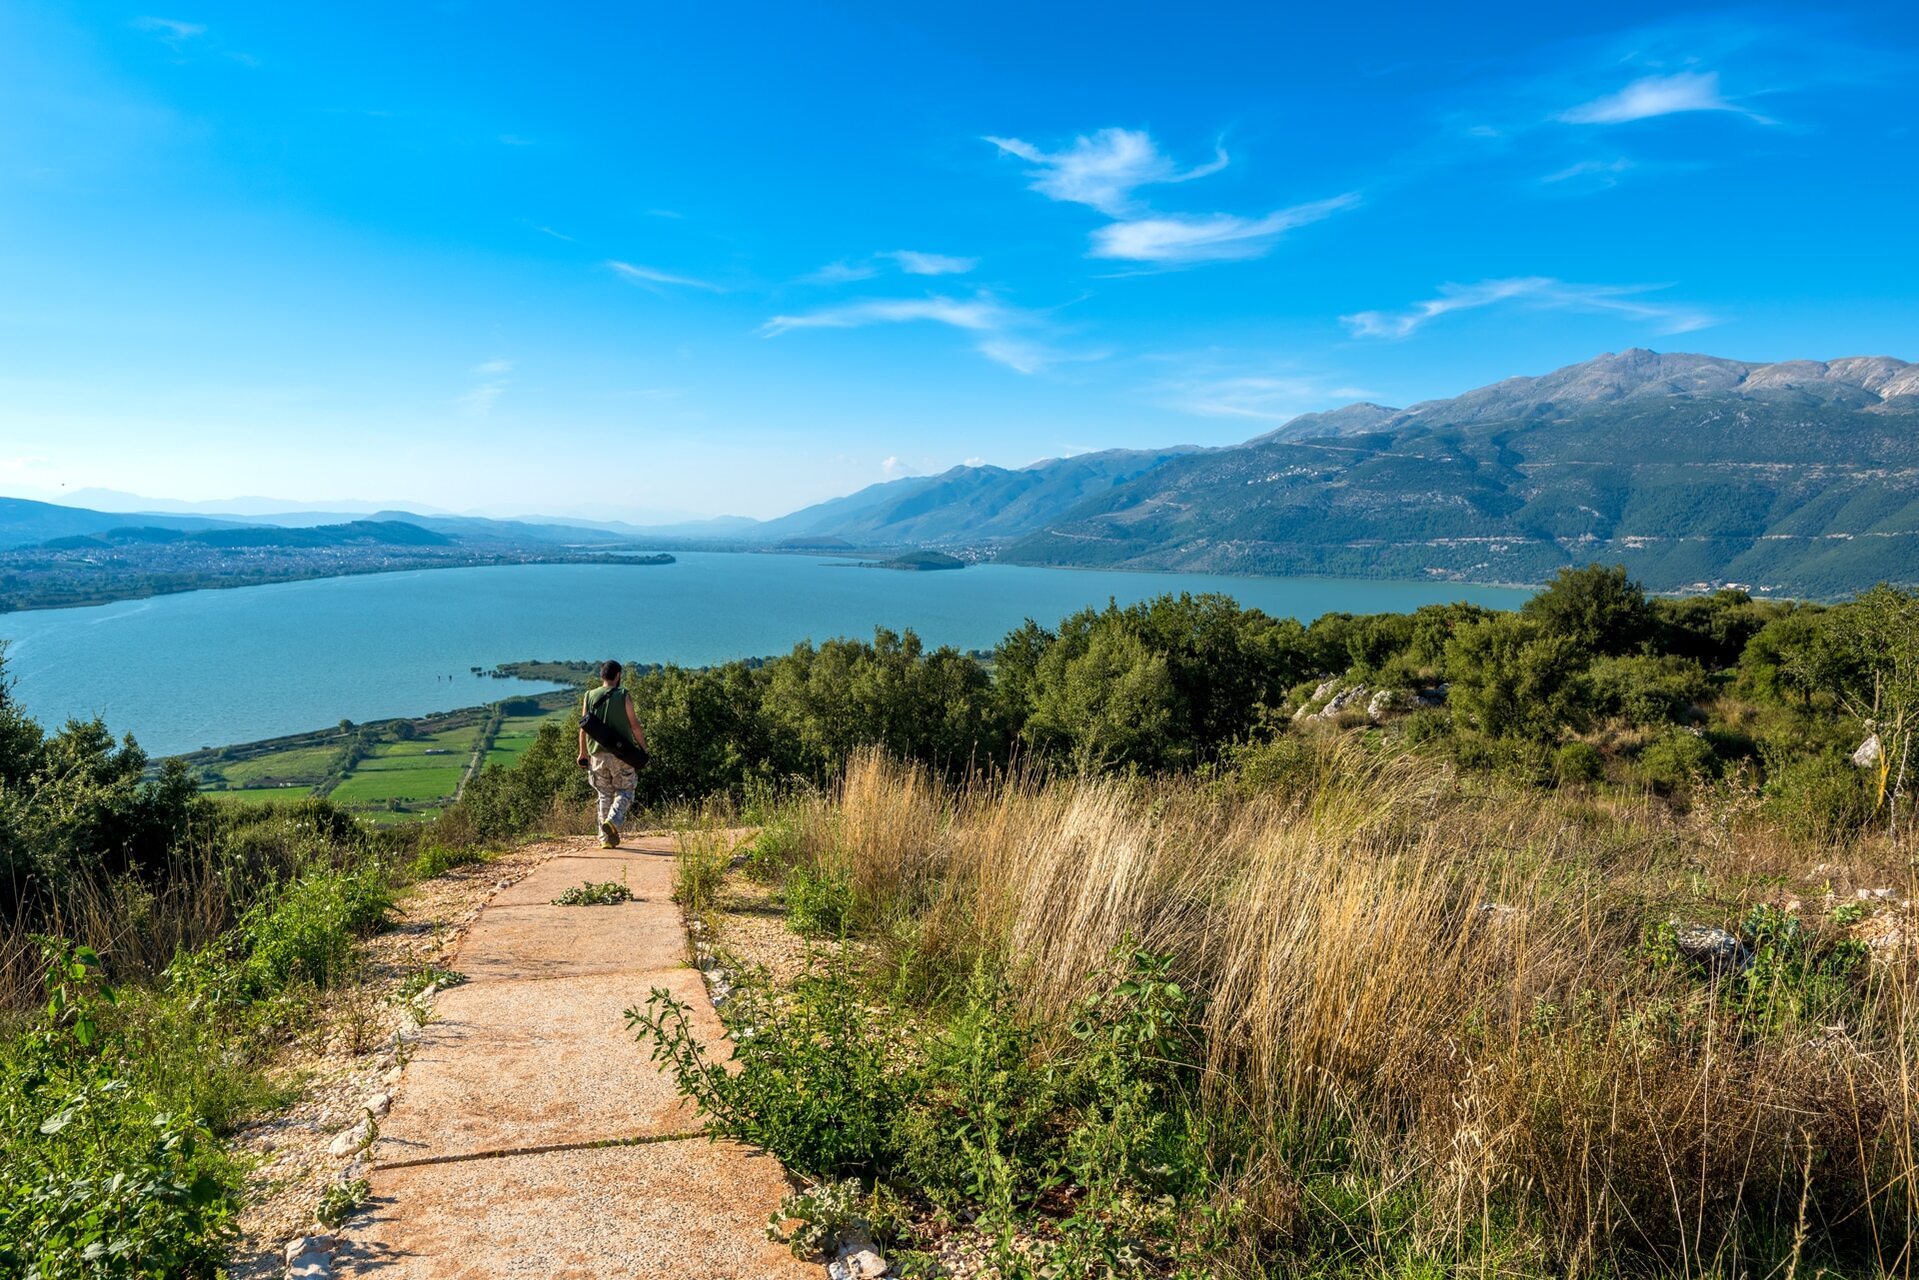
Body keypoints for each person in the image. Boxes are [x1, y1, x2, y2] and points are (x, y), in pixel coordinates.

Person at [576, 660, 647, 848]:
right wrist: (644, 749)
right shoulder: (623, 695)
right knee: (626, 791)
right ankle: (613, 822)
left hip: (596, 755)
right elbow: (634, 726)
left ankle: (605, 840)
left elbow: (583, 728)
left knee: (604, 795)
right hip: (621, 754)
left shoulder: (589, 695)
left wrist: (583, 753)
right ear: (618, 675)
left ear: (602, 676)